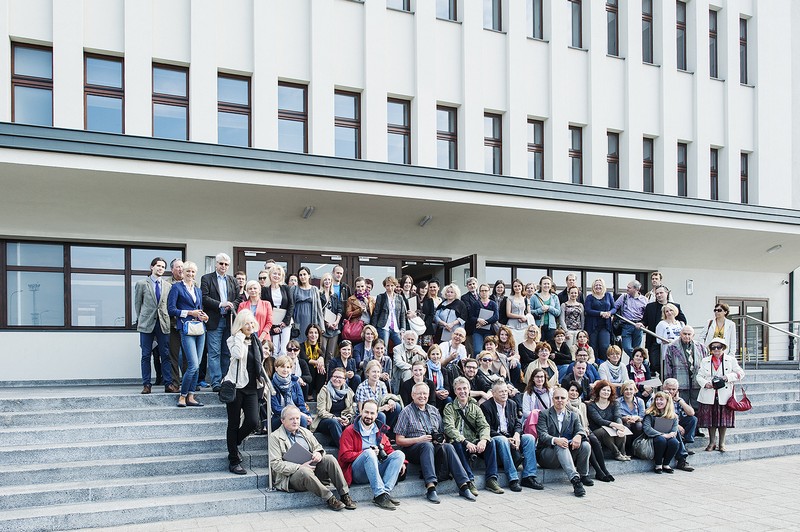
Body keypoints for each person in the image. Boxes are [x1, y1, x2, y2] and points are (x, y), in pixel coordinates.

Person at [394, 382, 478, 503]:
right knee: (426, 445)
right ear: (413, 395)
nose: (422, 396)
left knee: (448, 446)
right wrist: (419, 439)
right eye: (419, 393)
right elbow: (399, 440)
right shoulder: (406, 412)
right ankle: (431, 487)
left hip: (433, 447)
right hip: (413, 449)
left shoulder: (434, 410)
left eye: (425, 393)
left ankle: (463, 485)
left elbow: (442, 433)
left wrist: (441, 439)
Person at [269, 405, 357, 511]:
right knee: (304, 471)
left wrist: (318, 453)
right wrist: (299, 467)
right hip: (292, 477)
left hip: (313, 468)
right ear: (282, 420)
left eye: (297, 418)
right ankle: (330, 498)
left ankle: (345, 495)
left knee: (330, 458)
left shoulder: (304, 431)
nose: (295, 421)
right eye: (291, 419)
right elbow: (275, 463)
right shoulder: (275, 437)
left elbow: (318, 447)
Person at [337, 399, 405, 510]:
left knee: (399, 454)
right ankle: (379, 494)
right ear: (361, 412)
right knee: (369, 453)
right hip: (357, 472)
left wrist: (402, 463)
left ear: (377, 414)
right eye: (366, 412)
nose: (369, 416)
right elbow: (344, 456)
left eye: (372, 413)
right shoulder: (349, 431)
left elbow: (388, 450)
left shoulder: (379, 430)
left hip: (376, 469)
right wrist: (366, 453)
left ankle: (384, 494)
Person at [442, 377, 505, 494]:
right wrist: (465, 441)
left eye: (465, 388)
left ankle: (491, 479)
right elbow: (449, 428)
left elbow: (484, 426)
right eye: (459, 389)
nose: (462, 391)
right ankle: (469, 480)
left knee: (491, 442)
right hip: (460, 442)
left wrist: (483, 440)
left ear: (469, 390)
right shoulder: (449, 408)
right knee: (458, 444)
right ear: (455, 391)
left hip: (474, 441)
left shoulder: (475, 407)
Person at [224, 310, 266, 475]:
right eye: (246, 323)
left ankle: (234, 443)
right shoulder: (233, 339)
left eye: (251, 323)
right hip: (236, 387)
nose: (250, 326)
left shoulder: (256, 341)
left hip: (252, 388)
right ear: (240, 325)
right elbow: (237, 354)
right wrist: (240, 337)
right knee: (233, 424)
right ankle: (234, 460)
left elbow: (260, 361)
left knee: (253, 422)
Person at [480, 381, 543, 492]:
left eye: (506, 391)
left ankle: (529, 476)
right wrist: (506, 438)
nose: (504, 394)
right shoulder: (486, 406)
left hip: (511, 435)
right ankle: (513, 478)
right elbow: (487, 428)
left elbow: (518, 423)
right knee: (503, 440)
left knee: (529, 438)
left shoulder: (512, 404)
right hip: (496, 437)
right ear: (493, 393)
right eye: (501, 392)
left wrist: (517, 435)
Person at [536, 386, 593, 497]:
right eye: (557, 398)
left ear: (567, 400)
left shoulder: (573, 415)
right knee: (560, 445)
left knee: (585, 445)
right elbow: (542, 435)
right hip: (547, 455)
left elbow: (581, 430)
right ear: (552, 399)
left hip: (567, 453)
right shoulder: (544, 414)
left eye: (563, 398)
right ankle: (575, 481)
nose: (560, 400)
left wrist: (579, 436)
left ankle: (583, 475)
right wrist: (556, 440)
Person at [167, 261, 208, 408]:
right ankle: (182, 396)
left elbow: (199, 308)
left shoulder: (197, 290)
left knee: (197, 365)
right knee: (193, 365)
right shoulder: (176, 288)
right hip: (186, 329)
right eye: (188, 271)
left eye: (193, 272)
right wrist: (189, 313)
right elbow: (171, 310)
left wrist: (204, 316)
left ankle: (191, 395)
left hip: (199, 328)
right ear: (182, 272)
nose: (190, 274)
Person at [134, 257, 176, 394]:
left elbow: (168, 306)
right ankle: (146, 384)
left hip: (163, 323)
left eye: (163, 267)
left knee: (165, 354)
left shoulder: (168, 286)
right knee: (146, 355)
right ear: (152, 267)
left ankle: (168, 384)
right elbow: (137, 305)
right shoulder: (141, 284)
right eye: (158, 266)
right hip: (147, 323)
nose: (160, 268)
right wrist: (142, 319)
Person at [696, 338, 744, 453]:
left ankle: (722, 442)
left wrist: (727, 377)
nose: (716, 350)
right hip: (709, 393)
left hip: (725, 394)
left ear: (723, 348)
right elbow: (699, 376)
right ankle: (712, 442)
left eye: (719, 347)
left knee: (723, 421)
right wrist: (705, 383)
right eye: (713, 347)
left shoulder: (730, 360)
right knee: (710, 420)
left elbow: (740, 373)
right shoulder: (705, 360)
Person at [201, 253, 239, 393]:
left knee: (226, 352)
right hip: (214, 321)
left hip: (229, 321)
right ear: (216, 264)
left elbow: (238, 299)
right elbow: (204, 298)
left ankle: (225, 380)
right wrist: (220, 304)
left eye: (226, 264)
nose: (223, 266)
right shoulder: (207, 278)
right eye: (221, 263)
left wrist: (231, 305)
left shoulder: (233, 280)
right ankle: (216, 382)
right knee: (214, 353)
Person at [564, 382, 613, 482]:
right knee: (588, 441)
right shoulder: (564, 404)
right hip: (572, 431)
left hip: (584, 428)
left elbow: (585, 421)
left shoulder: (582, 405)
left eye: (577, 391)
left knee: (594, 439)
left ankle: (604, 469)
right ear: (567, 392)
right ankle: (598, 471)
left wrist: (585, 429)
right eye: (572, 390)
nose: (574, 393)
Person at [642, 285, 687, 374]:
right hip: (654, 340)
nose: (659, 295)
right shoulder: (650, 306)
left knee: (672, 363)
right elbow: (645, 321)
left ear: (667, 293)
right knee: (655, 364)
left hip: (671, 342)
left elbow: (683, 321)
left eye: (661, 293)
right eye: (657, 293)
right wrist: (641, 323)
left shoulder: (675, 306)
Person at [310, 366, 355, 447]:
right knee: (334, 422)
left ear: (344, 380)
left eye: (340, 377)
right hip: (325, 421)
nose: (337, 379)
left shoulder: (348, 392)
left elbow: (350, 411)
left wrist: (347, 419)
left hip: (342, 421)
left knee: (355, 422)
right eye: (335, 376)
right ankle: (343, 448)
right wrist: (334, 417)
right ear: (331, 378)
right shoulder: (324, 390)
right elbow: (321, 411)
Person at [587, 380, 630, 461]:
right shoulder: (591, 405)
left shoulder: (615, 403)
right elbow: (599, 420)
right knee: (605, 431)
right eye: (603, 390)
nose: (606, 392)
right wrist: (615, 425)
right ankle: (616, 453)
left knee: (622, 430)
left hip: (611, 428)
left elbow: (617, 416)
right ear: (598, 390)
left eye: (608, 390)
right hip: (597, 430)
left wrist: (619, 427)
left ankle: (622, 452)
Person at [664, 325, 708, 404]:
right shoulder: (672, 347)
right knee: (681, 407)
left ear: (693, 335)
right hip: (680, 382)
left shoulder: (701, 347)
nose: (686, 336)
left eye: (689, 334)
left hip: (697, 382)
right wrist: (669, 384)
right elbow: (668, 366)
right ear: (680, 334)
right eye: (684, 334)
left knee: (697, 408)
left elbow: (706, 366)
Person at [355, 360, 401, 431]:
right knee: (381, 415)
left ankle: (389, 432)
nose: (376, 374)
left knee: (396, 406)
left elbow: (385, 398)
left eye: (378, 372)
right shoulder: (361, 387)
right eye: (373, 372)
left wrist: (390, 401)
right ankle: (381, 436)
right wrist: (381, 409)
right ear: (367, 373)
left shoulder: (382, 384)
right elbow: (362, 412)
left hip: (380, 410)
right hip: (368, 414)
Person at [663, 378, 697, 472]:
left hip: (676, 422)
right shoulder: (660, 398)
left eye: (674, 389)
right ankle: (682, 460)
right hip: (664, 424)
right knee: (676, 429)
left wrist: (680, 400)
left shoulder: (677, 400)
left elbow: (691, 413)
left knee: (693, 419)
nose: (671, 391)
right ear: (663, 388)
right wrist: (676, 425)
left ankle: (684, 444)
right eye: (669, 389)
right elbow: (663, 416)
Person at [270, 355, 312, 431]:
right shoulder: (271, 385)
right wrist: (298, 414)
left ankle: (299, 442)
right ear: (276, 368)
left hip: (297, 416)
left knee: (302, 419)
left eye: (288, 367)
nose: (285, 370)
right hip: (279, 417)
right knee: (300, 419)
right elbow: (276, 409)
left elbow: (301, 404)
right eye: (282, 367)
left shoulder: (295, 383)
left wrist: (307, 415)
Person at [643, 391, 680, 474]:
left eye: (661, 400)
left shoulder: (673, 416)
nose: (658, 402)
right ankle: (658, 464)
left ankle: (666, 464)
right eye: (657, 399)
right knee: (661, 440)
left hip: (668, 437)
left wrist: (671, 434)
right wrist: (662, 435)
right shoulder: (650, 414)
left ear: (667, 402)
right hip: (653, 437)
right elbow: (647, 428)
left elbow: (674, 430)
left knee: (674, 442)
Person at [261, 264, 294, 357]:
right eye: (275, 273)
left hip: (285, 321)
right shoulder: (265, 290)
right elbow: (264, 307)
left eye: (279, 274)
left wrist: (285, 321)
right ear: (270, 275)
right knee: (274, 349)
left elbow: (291, 305)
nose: (277, 276)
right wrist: (273, 325)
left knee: (284, 349)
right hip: (272, 322)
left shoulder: (286, 288)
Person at [613, 280, 648, 358]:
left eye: (629, 288)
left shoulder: (644, 300)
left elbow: (647, 314)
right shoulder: (623, 297)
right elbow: (615, 307)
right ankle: (642, 360)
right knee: (627, 347)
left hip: (638, 326)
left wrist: (644, 323)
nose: (627, 289)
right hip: (626, 325)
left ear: (636, 289)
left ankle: (635, 366)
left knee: (636, 348)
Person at [584, 278, 616, 363]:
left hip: (605, 326)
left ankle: (604, 365)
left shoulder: (608, 295)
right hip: (592, 327)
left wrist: (609, 313)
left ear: (603, 286)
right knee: (593, 347)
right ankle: (594, 366)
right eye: (596, 285)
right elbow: (587, 310)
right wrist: (600, 313)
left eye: (600, 285)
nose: (598, 287)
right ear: (593, 287)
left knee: (604, 346)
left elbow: (614, 308)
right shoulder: (589, 297)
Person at [372, 276, 408, 349]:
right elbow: (376, 313)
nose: (390, 288)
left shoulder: (399, 298)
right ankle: (384, 360)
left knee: (401, 346)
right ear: (385, 286)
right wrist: (373, 328)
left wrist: (403, 329)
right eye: (387, 285)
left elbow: (402, 315)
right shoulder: (380, 297)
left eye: (392, 285)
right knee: (383, 348)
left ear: (395, 286)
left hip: (396, 327)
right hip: (383, 326)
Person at [293, 266, 325, 344]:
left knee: (310, 340)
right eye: (300, 275)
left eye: (304, 274)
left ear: (309, 275)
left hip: (311, 319)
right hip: (298, 319)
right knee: (298, 341)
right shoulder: (294, 289)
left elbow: (318, 308)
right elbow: (291, 306)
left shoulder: (314, 289)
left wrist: (321, 326)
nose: (302, 277)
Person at [165, 258, 184, 388]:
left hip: (188, 326)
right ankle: (175, 383)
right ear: (172, 270)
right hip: (172, 324)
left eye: (182, 267)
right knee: (173, 355)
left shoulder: (192, 283)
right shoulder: (166, 284)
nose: (181, 269)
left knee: (188, 357)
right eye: (178, 267)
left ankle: (190, 383)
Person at [469, 283, 499, 355]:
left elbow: (496, 317)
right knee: (477, 351)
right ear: (479, 292)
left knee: (489, 350)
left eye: (486, 290)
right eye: (482, 291)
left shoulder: (493, 304)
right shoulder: (475, 304)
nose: (484, 292)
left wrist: (484, 322)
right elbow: (470, 317)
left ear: (489, 291)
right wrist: (478, 320)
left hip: (489, 331)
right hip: (478, 331)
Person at [530, 276, 562, 343]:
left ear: (551, 285)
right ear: (540, 285)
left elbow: (558, 312)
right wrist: (540, 310)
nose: (546, 285)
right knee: (538, 345)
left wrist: (549, 308)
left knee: (550, 347)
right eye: (544, 284)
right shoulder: (534, 297)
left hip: (551, 327)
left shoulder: (554, 297)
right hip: (538, 326)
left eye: (548, 284)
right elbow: (529, 311)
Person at [617, 380, 645, 456]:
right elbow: (616, 416)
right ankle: (627, 449)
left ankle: (636, 447)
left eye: (631, 389)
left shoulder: (640, 401)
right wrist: (624, 418)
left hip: (637, 422)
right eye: (626, 389)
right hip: (623, 423)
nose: (628, 391)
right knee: (627, 426)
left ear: (635, 390)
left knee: (638, 426)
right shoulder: (617, 402)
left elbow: (643, 416)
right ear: (622, 391)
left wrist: (637, 418)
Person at [319, 272, 343, 360]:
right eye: (325, 279)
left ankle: (329, 373)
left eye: (329, 280)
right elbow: (318, 311)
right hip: (324, 328)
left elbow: (340, 309)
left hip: (334, 328)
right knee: (323, 351)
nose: (327, 281)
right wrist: (327, 323)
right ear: (322, 282)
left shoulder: (335, 296)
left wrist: (336, 322)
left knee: (331, 354)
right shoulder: (319, 295)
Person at [299, 323, 327, 397]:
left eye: (315, 333)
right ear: (307, 334)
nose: (313, 335)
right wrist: (317, 362)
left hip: (317, 371)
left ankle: (319, 393)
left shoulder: (321, 347)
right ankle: (309, 393)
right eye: (311, 332)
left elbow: (323, 357)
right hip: (306, 369)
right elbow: (304, 358)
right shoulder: (302, 345)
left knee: (322, 368)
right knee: (310, 366)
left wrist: (321, 359)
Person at [425, 344, 452, 410]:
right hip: (429, 394)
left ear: (440, 355)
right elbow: (425, 385)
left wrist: (445, 392)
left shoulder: (443, 370)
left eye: (437, 354)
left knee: (449, 399)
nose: (435, 356)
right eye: (433, 354)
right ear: (429, 355)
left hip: (441, 393)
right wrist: (435, 392)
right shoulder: (425, 368)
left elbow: (447, 386)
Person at [505, 279, 529, 344]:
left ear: (522, 287)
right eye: (515, 286)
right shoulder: (510, 298)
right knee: (513, 344)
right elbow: (508, 313)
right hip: (512, 325)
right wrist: (520, 316)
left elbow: (529, 313)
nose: (517, 288)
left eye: (519, 286)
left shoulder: (525, 299)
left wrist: (525, 318)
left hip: (523, 326)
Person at [420, 279, 442, 347]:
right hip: (430, 325)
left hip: (440, 326)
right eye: (430, 287)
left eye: (434, 287)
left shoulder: (441, 299)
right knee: (428, 346)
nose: (432, 289)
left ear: (438, 288)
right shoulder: (427, 300)